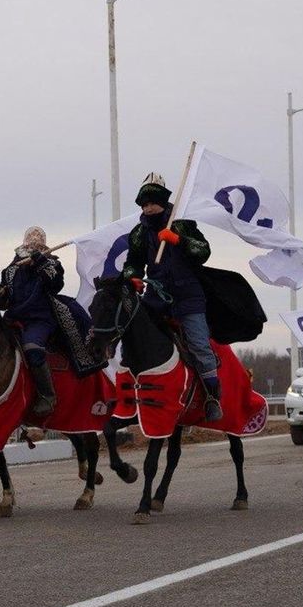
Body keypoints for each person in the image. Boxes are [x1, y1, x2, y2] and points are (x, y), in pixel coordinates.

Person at [121, 173, 223, 421]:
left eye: (152, 203)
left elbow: (203, 251)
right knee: (134, 336)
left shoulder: (181, 223)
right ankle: (132, 392)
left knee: (199, 345)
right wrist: (133, 277)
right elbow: (132, 263)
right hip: (155, 297)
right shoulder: (138, 233)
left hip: (188, 296)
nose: (148, 208)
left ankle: (212, 398)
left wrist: (179, 240)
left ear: (162, 202)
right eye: (144, 204)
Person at [0, 227, 64, 415]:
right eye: (30, 245)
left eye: (37, 245)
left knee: (32, 348)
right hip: (13, 317)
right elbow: (3, 302)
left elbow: (56, 284)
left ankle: (47, 396)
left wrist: (40, 261)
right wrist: (0, 296)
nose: (33, 247)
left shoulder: (51, 264)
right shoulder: (10, 270)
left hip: (39, 318)